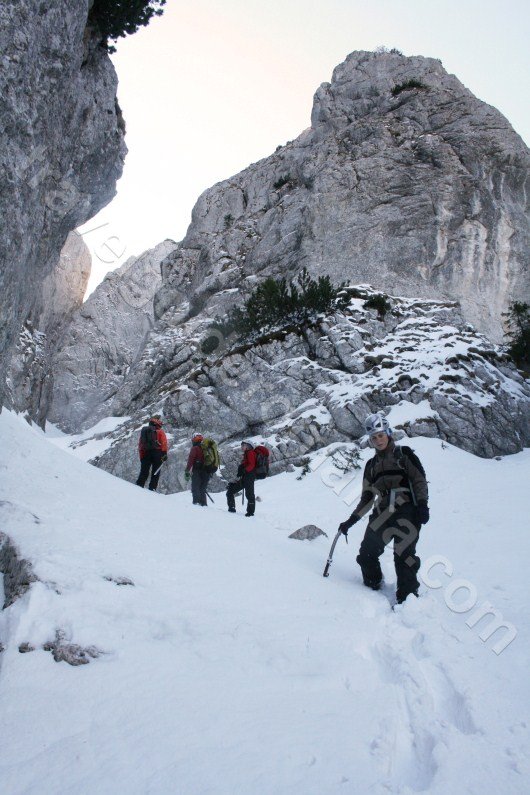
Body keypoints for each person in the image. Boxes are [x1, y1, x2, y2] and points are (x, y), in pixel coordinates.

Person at [338, 413, 429, 605]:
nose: (378, 440)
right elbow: (367, 497)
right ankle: (374, 586)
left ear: (388, 433)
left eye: (380, 435)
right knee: (366, 554)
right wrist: (351, 520)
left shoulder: (404, 454)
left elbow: (419, 480)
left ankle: (408, 599)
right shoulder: (371, 465)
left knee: (404, 555)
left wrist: (422, 505)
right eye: (373, 437)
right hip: (382, 514)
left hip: (407, 510)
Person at [136, 415, 168, 492]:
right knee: (155, 472)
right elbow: (164, 443)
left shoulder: (144, 432)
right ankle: (152, 489)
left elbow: (141, 445)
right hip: (158, 453)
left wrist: (142, 457)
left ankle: (138, 487)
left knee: (144, 471)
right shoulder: (160, 432)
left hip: (146, 453)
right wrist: (164, 454)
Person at [226, 441, 257, 517]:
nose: (241, 447)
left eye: (243, 445)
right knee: (230, 491)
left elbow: (252, 465)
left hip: (249, 477)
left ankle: (250, 512)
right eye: (241, 445)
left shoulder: (250, 453)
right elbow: (248, 464)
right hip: (246, 477)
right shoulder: (247, 454)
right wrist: (242, 469)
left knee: (249, 494)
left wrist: (244, 470)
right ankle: (232, 508)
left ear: (248, 446)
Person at [184, 433, 211, 506]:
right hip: (206, 471)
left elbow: (191, 460)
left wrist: (187, 470)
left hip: (197, 470)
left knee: (195, 487)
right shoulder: (206, 448)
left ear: (194, 440)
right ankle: (204, 504)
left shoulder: (195, 448)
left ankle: (196, 503)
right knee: (202, 488)